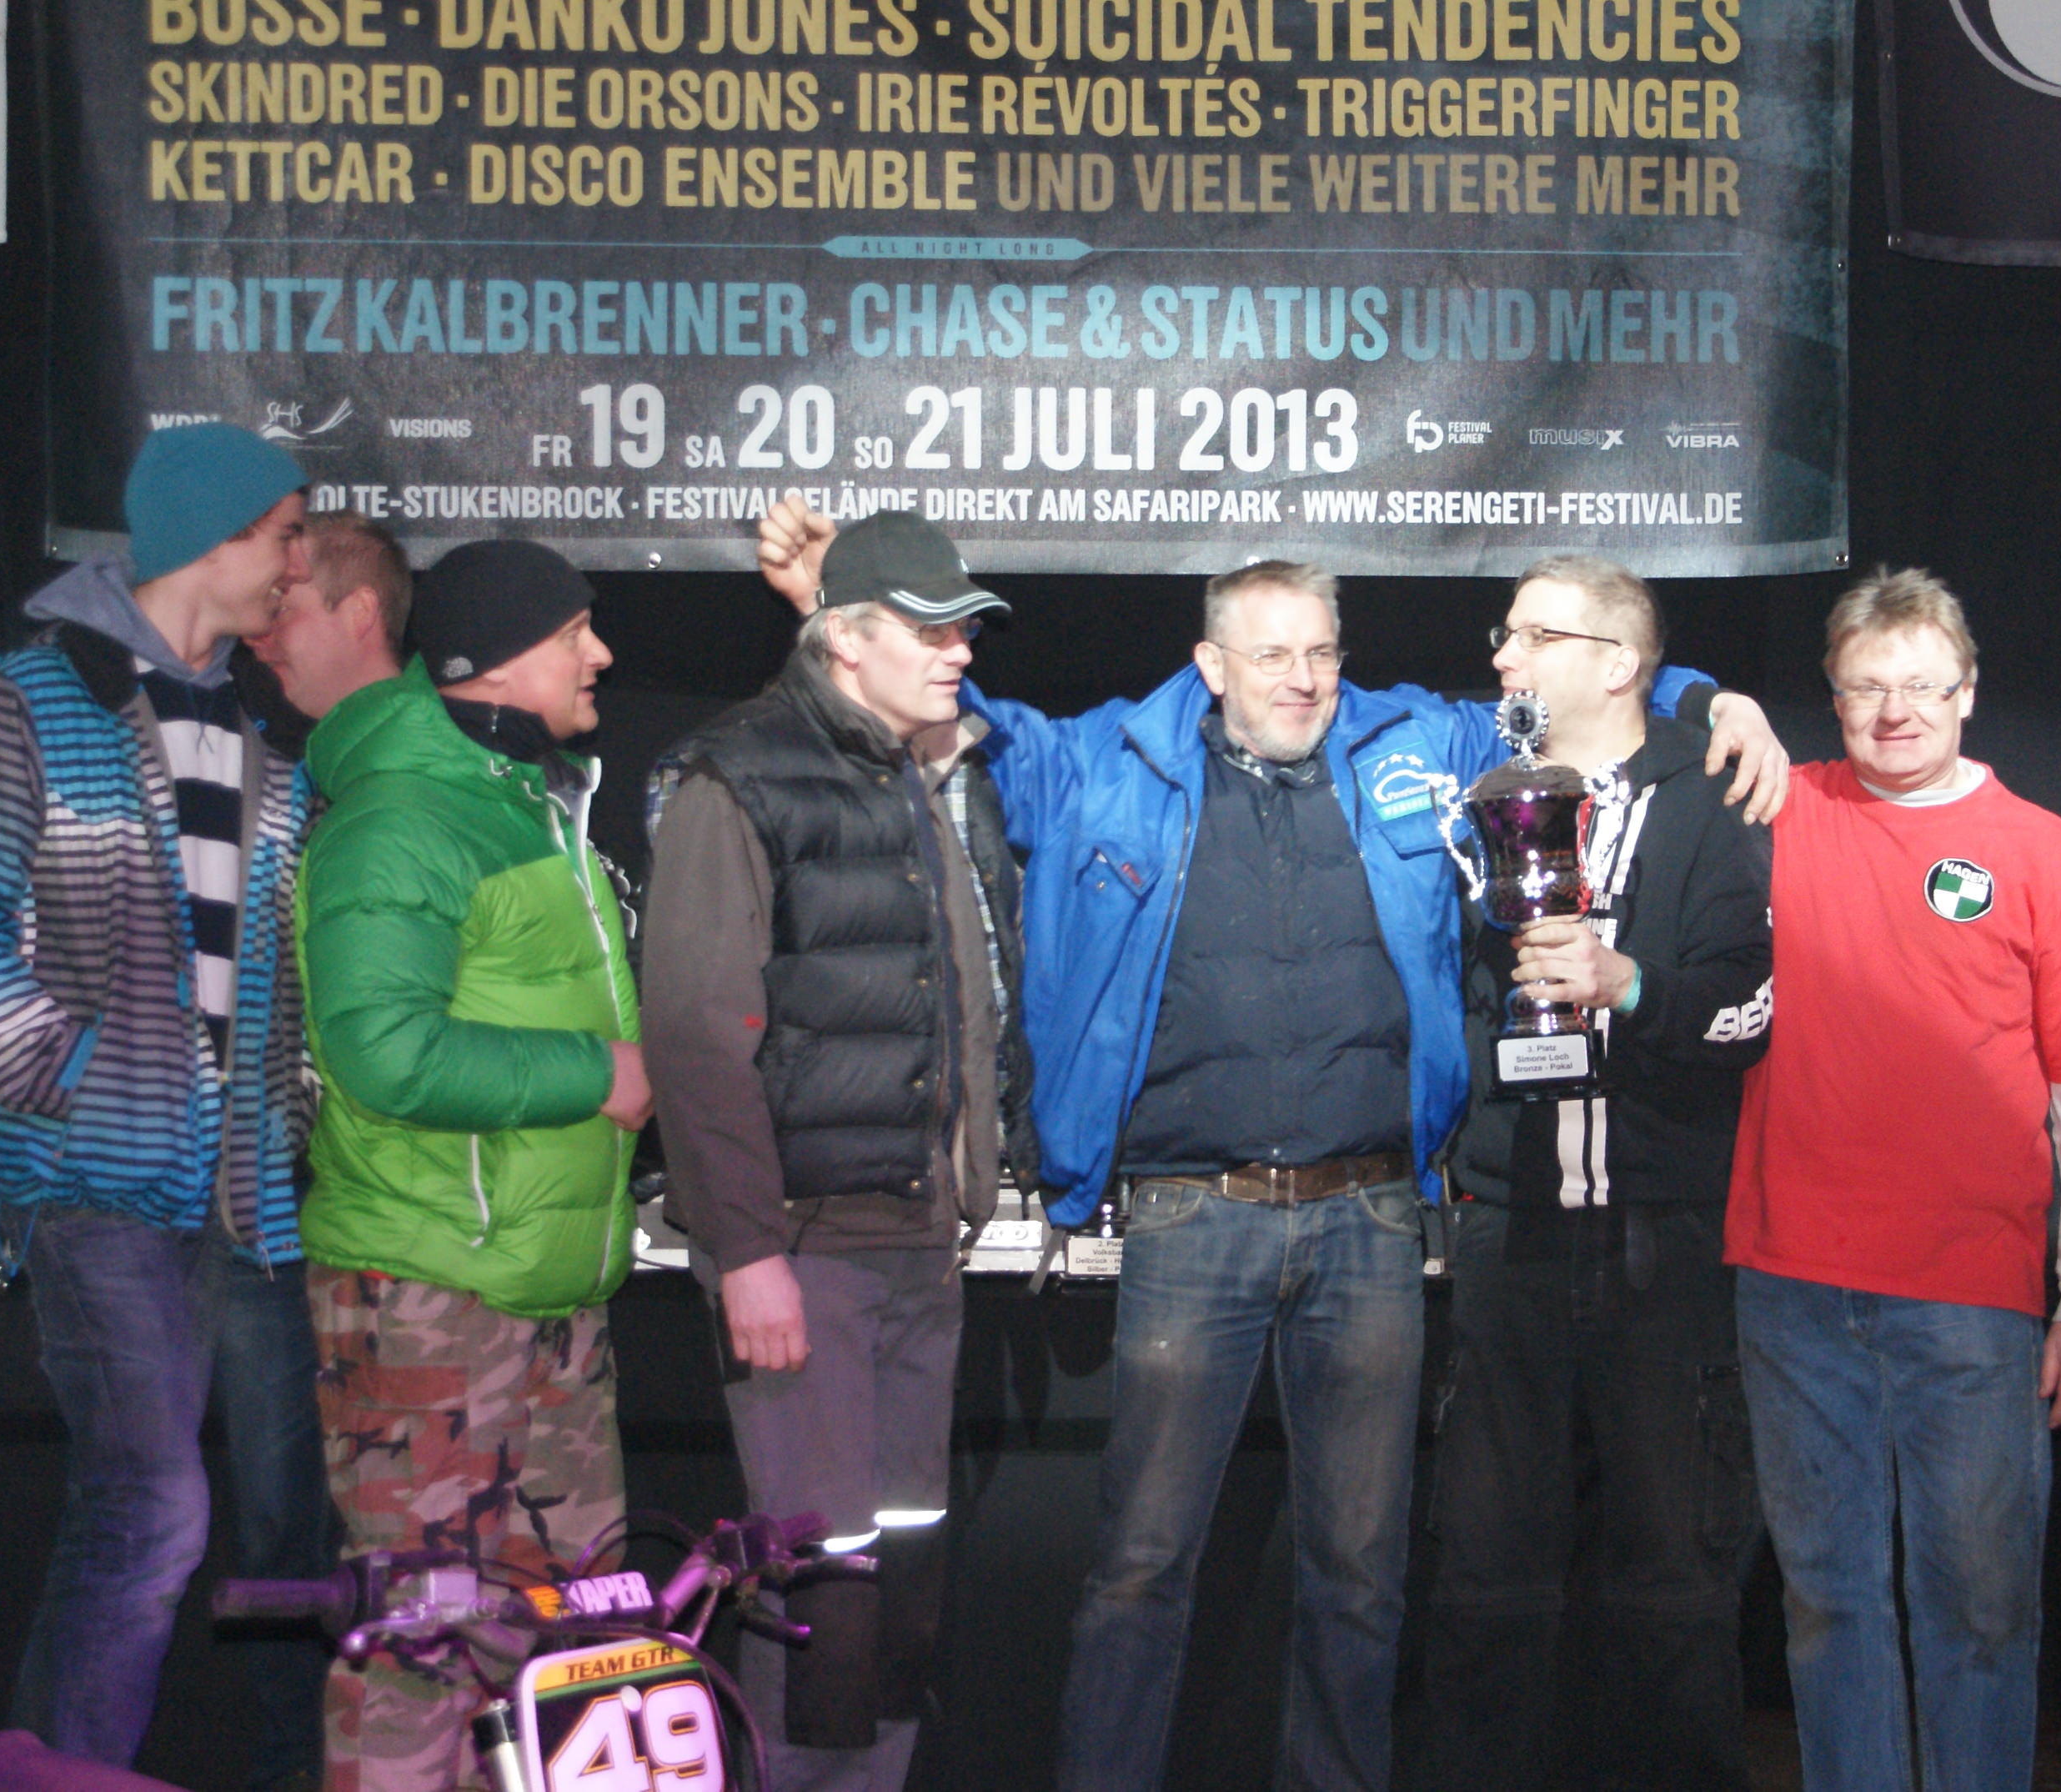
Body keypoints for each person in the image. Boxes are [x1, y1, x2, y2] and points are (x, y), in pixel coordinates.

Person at [755, 496, 1787, 1792]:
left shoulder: (1412, 742)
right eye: (1271, 654)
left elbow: (1591, 701)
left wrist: (1712, 700)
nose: (1301, 678)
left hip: (1371, 1217)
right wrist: (829, 612)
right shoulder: (1105, 762)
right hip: (1193, 1214)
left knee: (1360, 1573)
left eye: (1320, 651)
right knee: (1139, 1567)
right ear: (1210, 663)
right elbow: (940, 722)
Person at [0, 424, 333, 1792]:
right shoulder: (24, 701)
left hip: (243, 1193)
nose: (298, 566)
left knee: (260, 1525)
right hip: (92, 1184)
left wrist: (297, 1100)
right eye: (285, 536)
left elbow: (284, 967)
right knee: (152, 1511)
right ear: (214, 534)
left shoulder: (269, 735)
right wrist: (73, 1082)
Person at [642, 509, 1046, 1791]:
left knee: (897, 1584)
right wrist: (748, 1251)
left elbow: (955, 998)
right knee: (820, 1586)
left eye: (964, 630)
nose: (959, 653)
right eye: (932, 631)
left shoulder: (912, 774)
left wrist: (966, 1186)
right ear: (845, 639)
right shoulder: (737, 776)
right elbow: (694, 1033)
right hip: (804, 1254)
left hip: (915, 1243)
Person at [1725, 568, 2061, 1792]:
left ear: (1967, 692)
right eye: (1866, 687)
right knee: (1825, 1602)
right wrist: (1716, 704)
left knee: (1980, 1609)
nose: (1893, 711)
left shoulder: (2043, 853)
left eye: (1918, 685)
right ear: (1831, 695)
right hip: (1790, 1283)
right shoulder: (1776, 811)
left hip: (1971, 1295)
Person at [292, 539, 648, 1792]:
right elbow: (381, 1053)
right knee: (421, 1642)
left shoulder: (526, 801)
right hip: (427, 1298)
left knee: (574, 1637)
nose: (601, 653)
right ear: (491, 658)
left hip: (548, 1293)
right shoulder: (399, 821)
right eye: (573, 632)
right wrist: (596, 1074)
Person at [1422, 555, 1773, 1792]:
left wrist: (1627, 985)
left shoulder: (1713, 798)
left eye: (1533, 636)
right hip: (1506, 1225)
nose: (1503, 657)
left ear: (1618, 664)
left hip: (1662, 1239)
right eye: (1504, 632)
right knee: (1483, 1573)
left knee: (1672, 1576)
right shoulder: (1482, 787)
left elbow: (1752, 1008)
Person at [243, 509, 410, 734]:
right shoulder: (258, 739)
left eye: (279, 611)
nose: (253, 636)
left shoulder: (422, 749)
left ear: (361, 610)